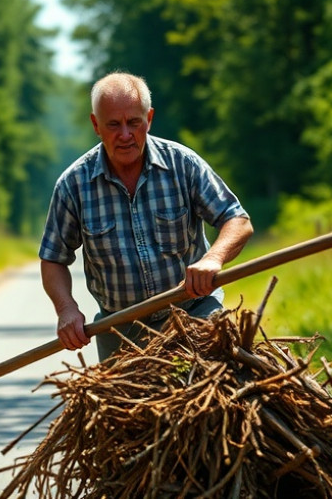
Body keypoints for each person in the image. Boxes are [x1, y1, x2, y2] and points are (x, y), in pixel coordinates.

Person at [39, 72, 253, 361]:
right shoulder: (74, 185)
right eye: (113, 125)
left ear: (149, 119)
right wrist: (66, 309)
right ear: (95, 125)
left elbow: (237, 220)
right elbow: (53, 258)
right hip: (121, 331)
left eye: (134, 123)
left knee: (220, 399)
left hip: (195, 314)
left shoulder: (183, 164)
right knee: (121, 408)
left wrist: (213, 259)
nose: (125, 135)